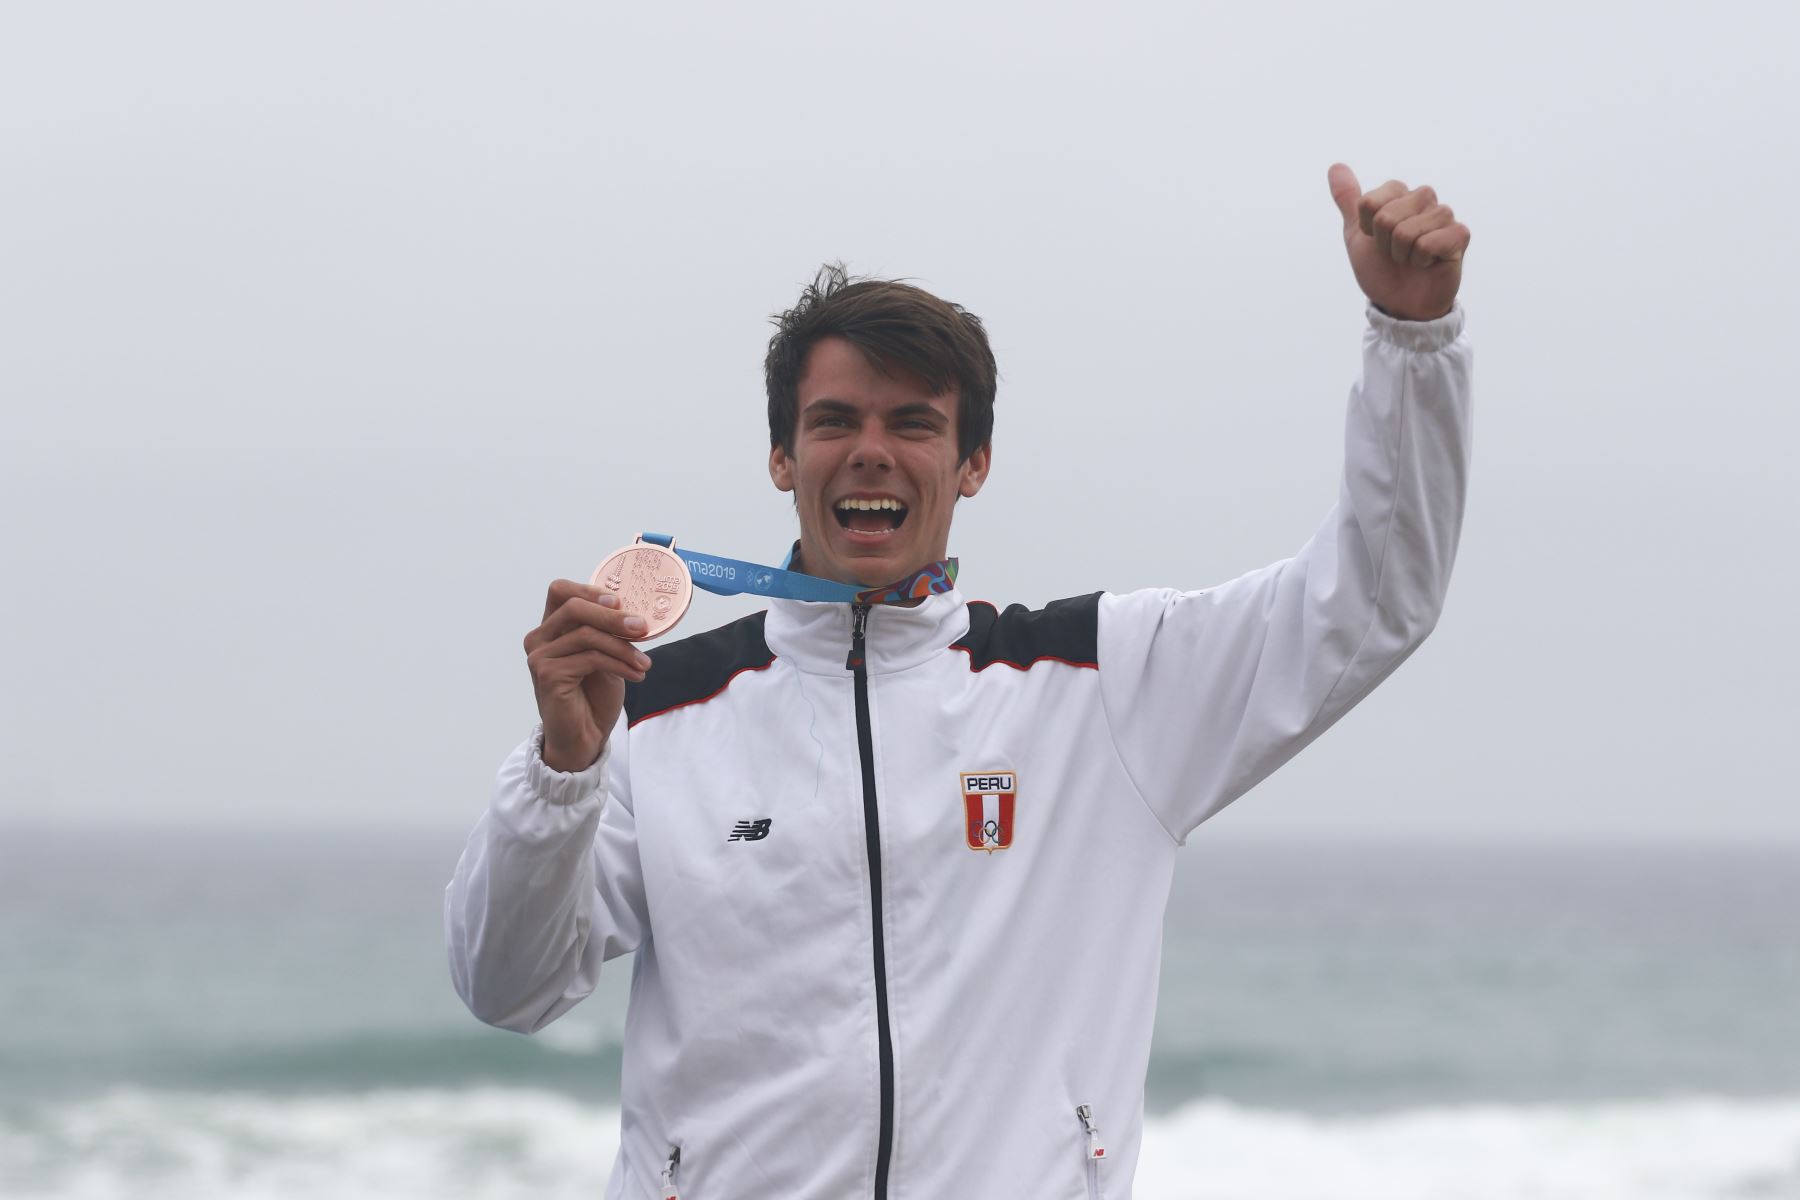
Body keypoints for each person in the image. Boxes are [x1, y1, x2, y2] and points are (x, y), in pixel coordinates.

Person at [445, 162, 1473, 1199]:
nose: (872, 453)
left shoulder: (1103, 682)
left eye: (915, 424)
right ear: (781, 456)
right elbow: (509, 987)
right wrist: (560, 775)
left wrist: (1413, 343)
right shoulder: (652, 711)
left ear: (973, 461)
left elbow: (1374, 602)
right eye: (836, 421)